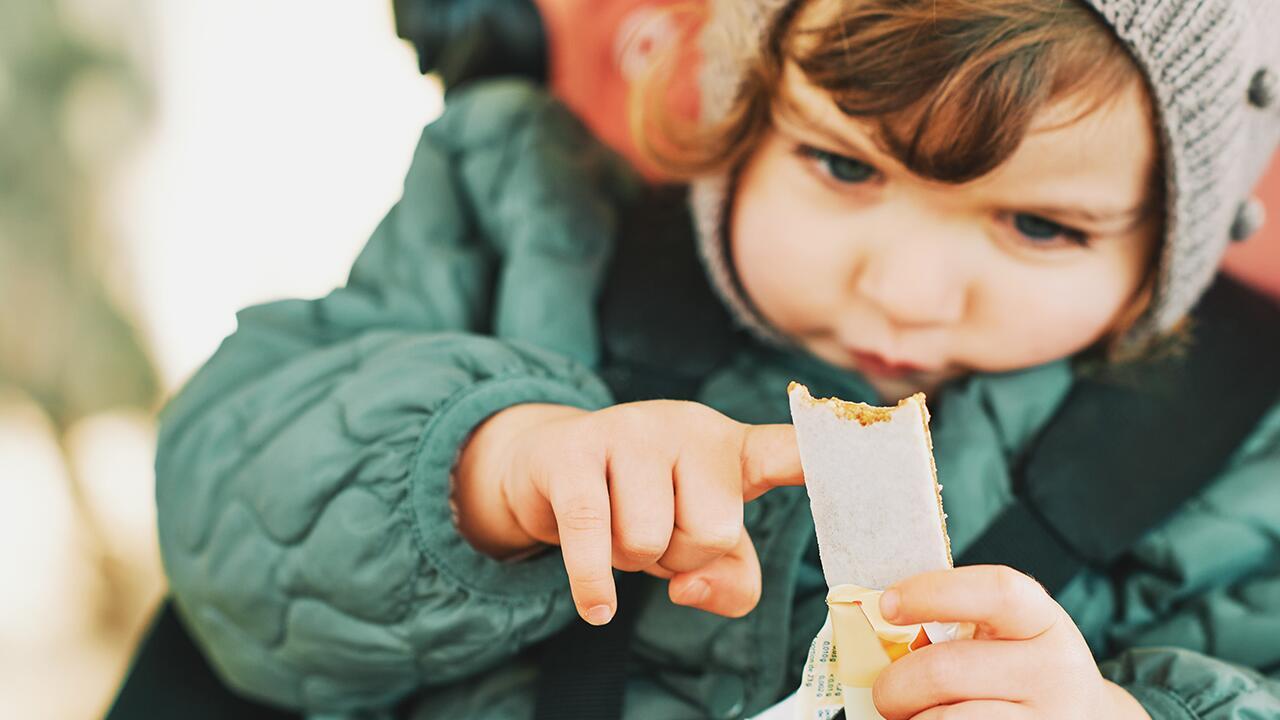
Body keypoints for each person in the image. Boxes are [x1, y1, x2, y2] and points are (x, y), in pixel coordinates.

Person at [152, 0, 1280, 718]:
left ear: (1162, 249)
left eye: (1038, 228)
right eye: (842, 168)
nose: (900, 290)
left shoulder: (1237, 451)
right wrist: (491, 472)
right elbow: (232, 525)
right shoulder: (531, 219)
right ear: (743, 112)